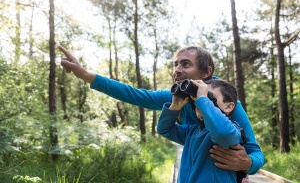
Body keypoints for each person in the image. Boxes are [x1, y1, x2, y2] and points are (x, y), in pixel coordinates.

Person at [58, 45, 265, 176]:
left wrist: (246, 164)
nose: (177, 70)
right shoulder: (175, 98)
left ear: (206, 71)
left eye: (186, 64)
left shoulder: (227, 102)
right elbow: (131, 93)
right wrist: (85, 74)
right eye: (175, 65)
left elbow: (256, 153)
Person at [157, 79, 243, 182]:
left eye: (208, 97)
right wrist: (175, 106)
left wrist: (203, 99)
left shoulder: (232, 129)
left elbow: (223, 132)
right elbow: (164, 129)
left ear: (229, 106)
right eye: (197, 97)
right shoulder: (192, 131)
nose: (199, 101)